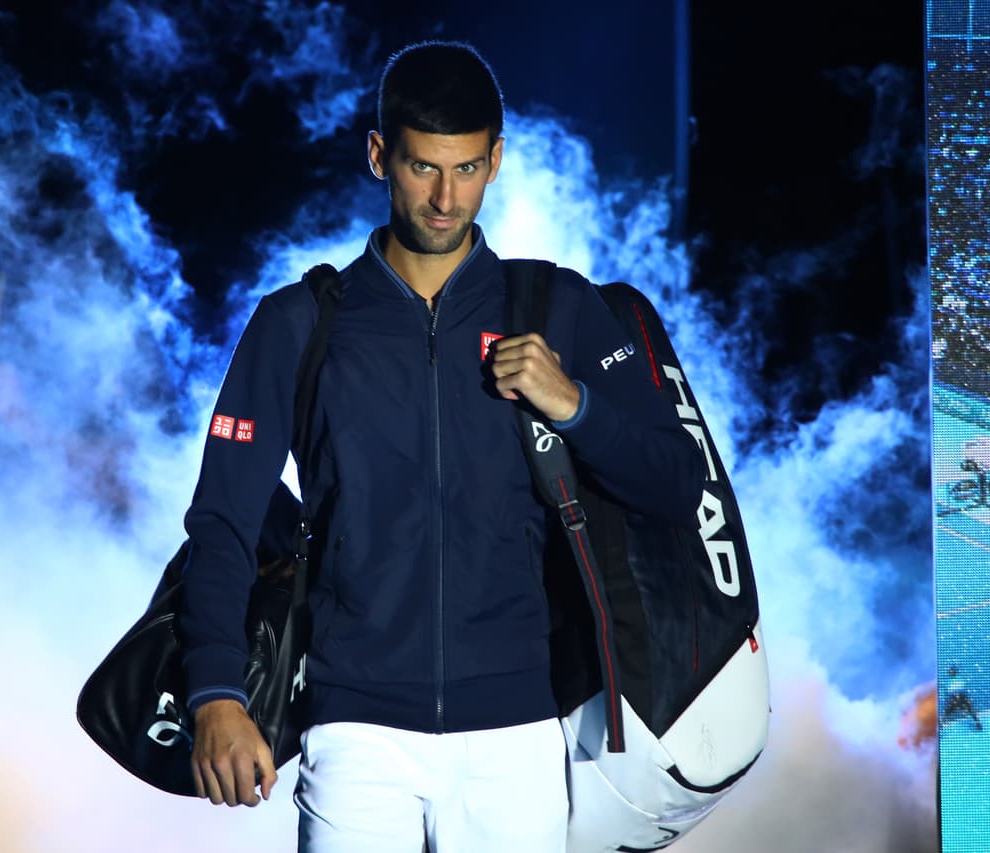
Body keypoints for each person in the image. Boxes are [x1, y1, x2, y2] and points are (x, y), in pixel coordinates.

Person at [177, 41, 706, 851]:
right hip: (354, 732)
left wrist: (574, 403)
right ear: (379, 155)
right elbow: (222, 521)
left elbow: (675, 485)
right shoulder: (299, 323)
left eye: (465, 169)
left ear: (495, 160)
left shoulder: (556, 306)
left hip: (520, 731)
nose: (444, 197)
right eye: (423, 167)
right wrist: (217, 692)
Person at [942, 665, 983, 731]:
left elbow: (961, 688)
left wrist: (956, 694)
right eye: (950, 672)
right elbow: (948, 692)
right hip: (956, 699)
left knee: (970, 709)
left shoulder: (959, 679)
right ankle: (942, 723)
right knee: (949, 710)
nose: (951, 673)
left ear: (954, 672)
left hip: (961, 698)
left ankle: (977, 723)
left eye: (952, 672)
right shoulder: (949, 681)